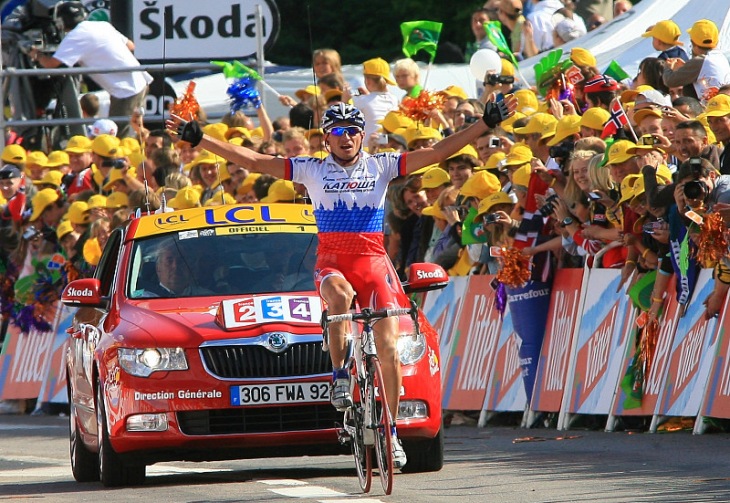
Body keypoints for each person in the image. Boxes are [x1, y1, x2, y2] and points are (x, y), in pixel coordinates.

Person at [167, 98, 516, 469]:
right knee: (340, 298)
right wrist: (200, 139)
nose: (346, 137)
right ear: (326, 139)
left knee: (388, 344)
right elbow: (254, 161)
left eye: (352, 131)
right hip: (332, 261)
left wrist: (484, 123)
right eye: (337, 132)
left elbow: (437, 152)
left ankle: (392, 431)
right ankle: (337, 376)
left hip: (374, 261)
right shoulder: (311, 170)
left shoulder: (381, 165)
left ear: (362, 136)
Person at [28, 2, 152, 138]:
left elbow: (51, 64)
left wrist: (35, 54)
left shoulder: (75, 36)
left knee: (116, 138)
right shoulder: (101, 25)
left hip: (126, 91)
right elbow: (130, 46)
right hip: (140, 82)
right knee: (137, 130)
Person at [662, 19, 730, 102]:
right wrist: (686, 67)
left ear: (693, 43)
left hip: (710, 111)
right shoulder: (720, 57)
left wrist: (667, 67)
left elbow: (670, 81)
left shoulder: (700, 60)